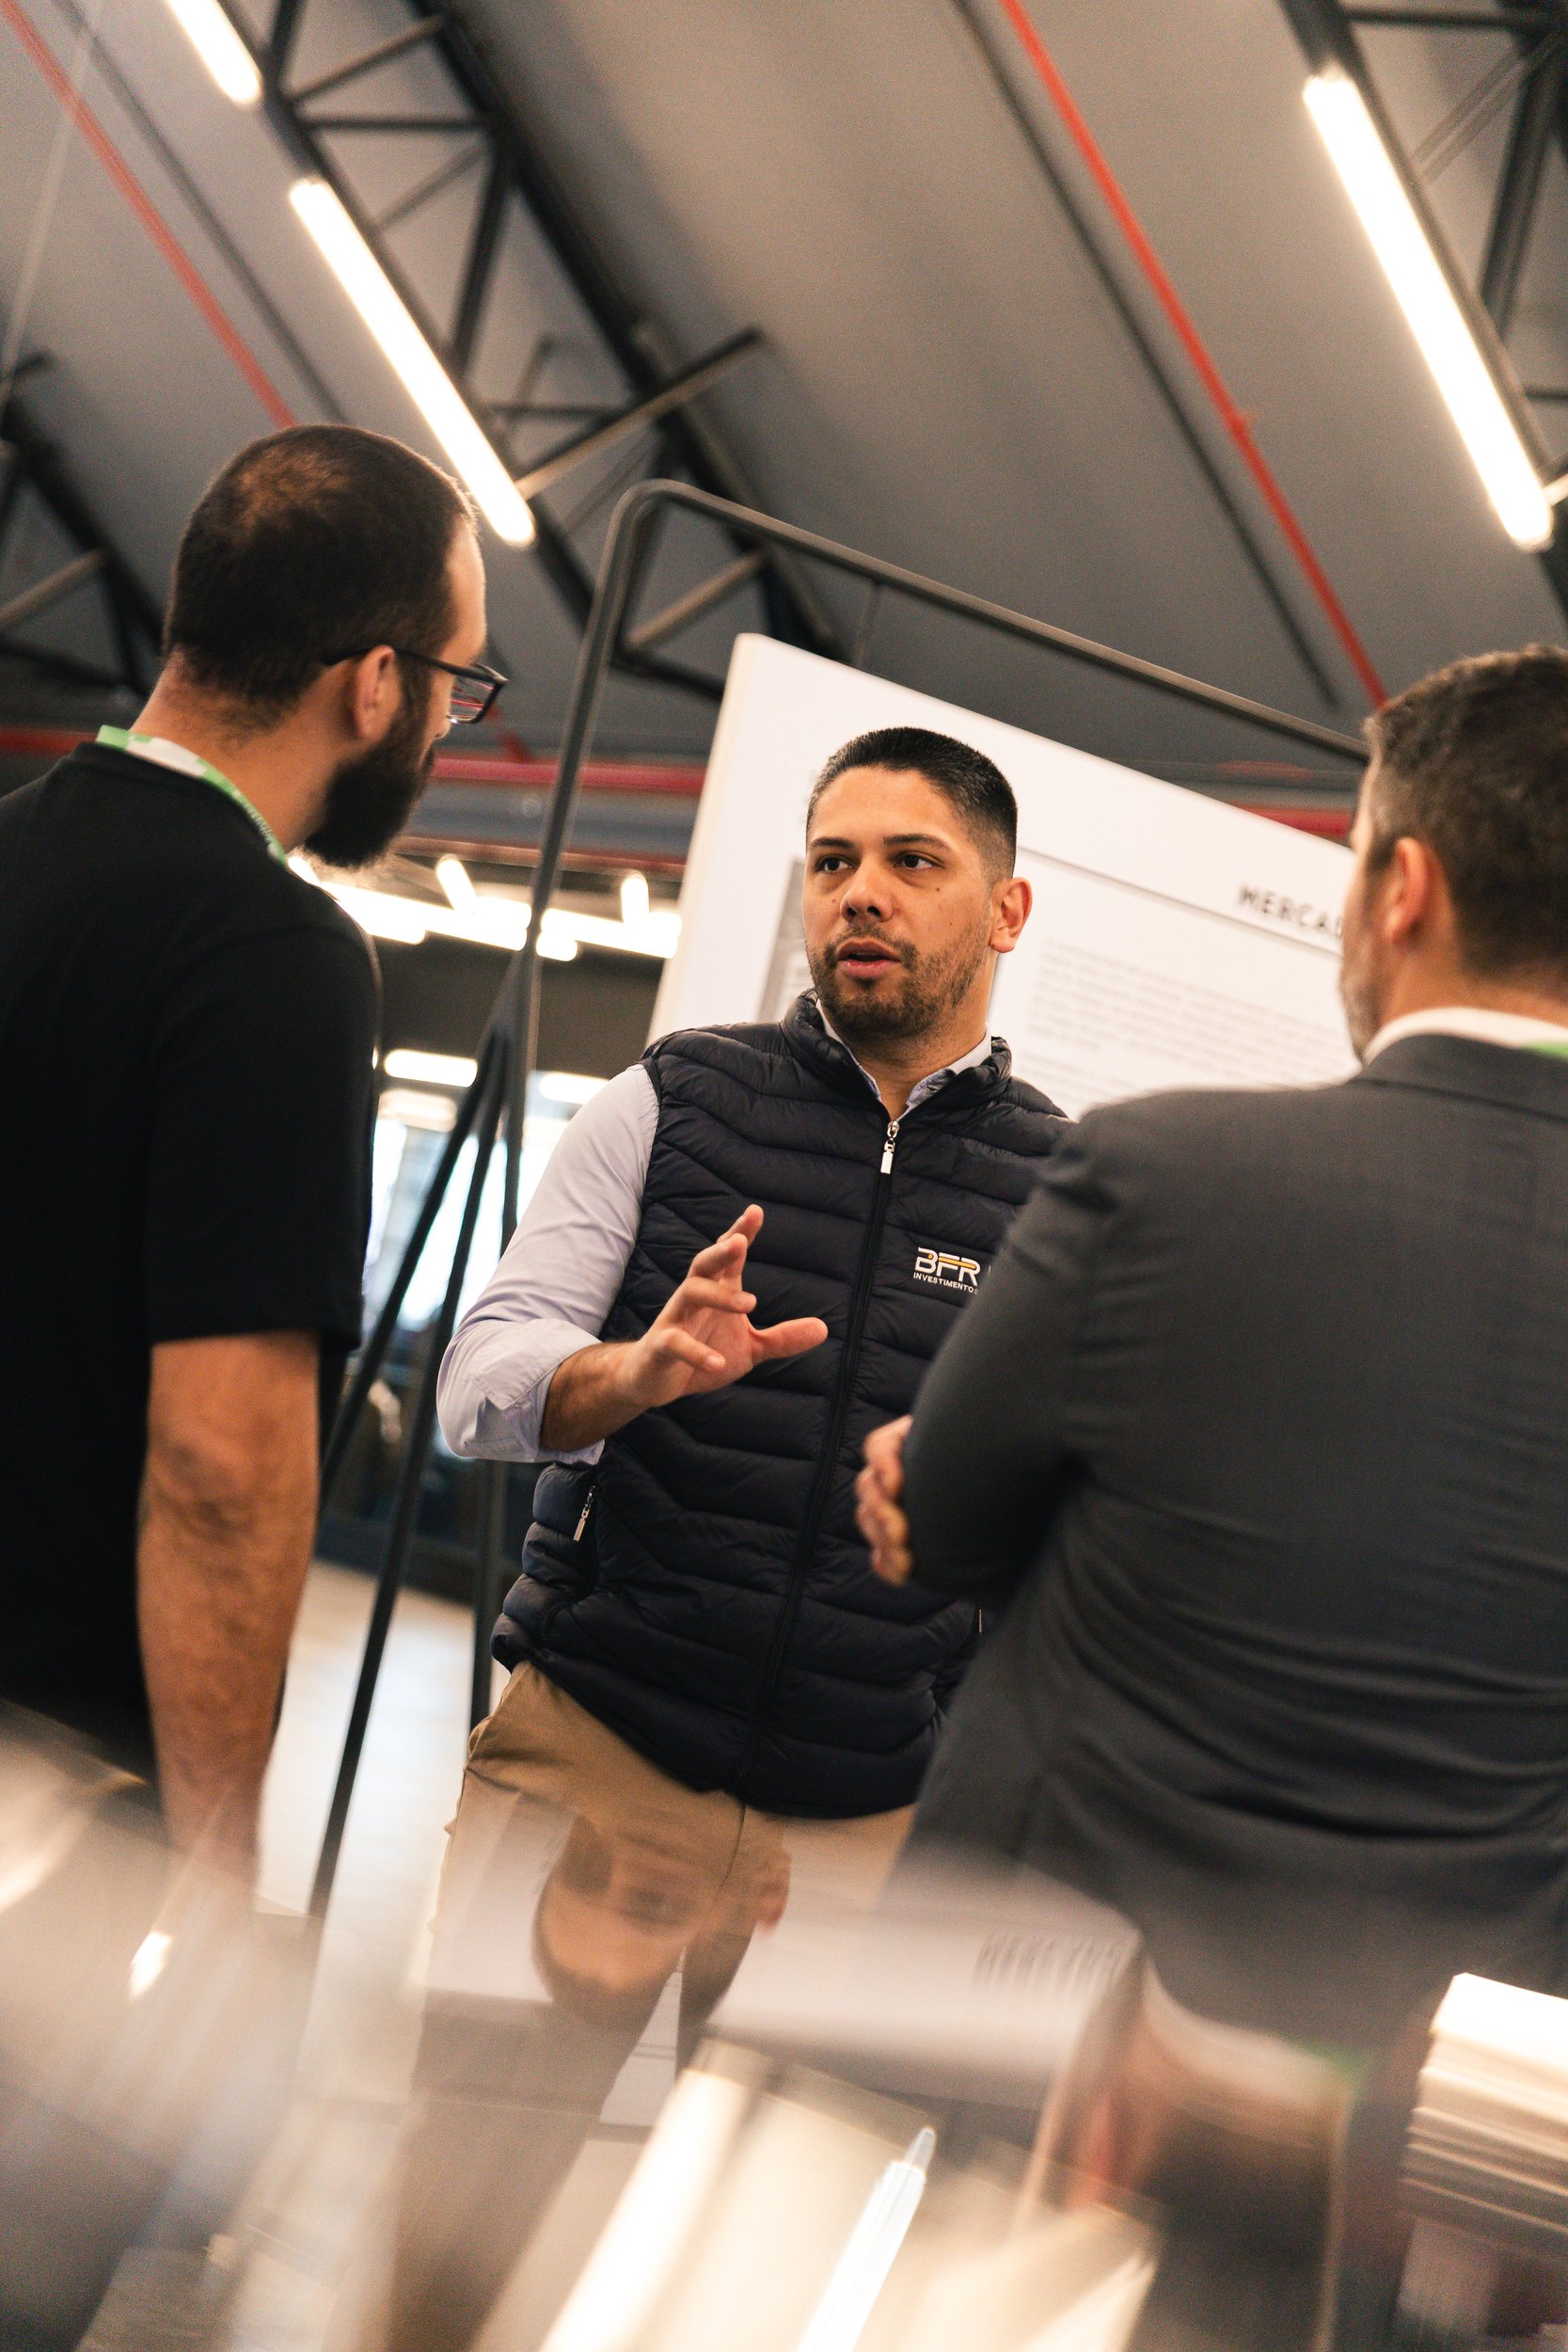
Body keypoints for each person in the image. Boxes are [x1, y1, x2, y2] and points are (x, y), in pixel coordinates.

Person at [389, 726, 1065, 2350]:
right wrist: (629, 1375)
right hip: (594, 1745)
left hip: (861, 1817)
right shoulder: (674, 1100)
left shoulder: (1067, 1187)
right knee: (448, 2240)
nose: (861, 895)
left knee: (758, 2281)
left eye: (911, 862)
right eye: (833, 861)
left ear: (1006, 909)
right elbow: (479, 1380)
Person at [855, 643, 1568, 2066]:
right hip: (1435, 2087)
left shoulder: (1164, 1172)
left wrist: (931, 1485)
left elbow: (941, 1526)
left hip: (1045, 2035)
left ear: (1404, 889)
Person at [0, 422, 496, 1875]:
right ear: (376, 685)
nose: (449, 728)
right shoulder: (276, 956)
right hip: (53, 1796)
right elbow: (219, 1461)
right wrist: (214, 1879)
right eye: (459, 685)